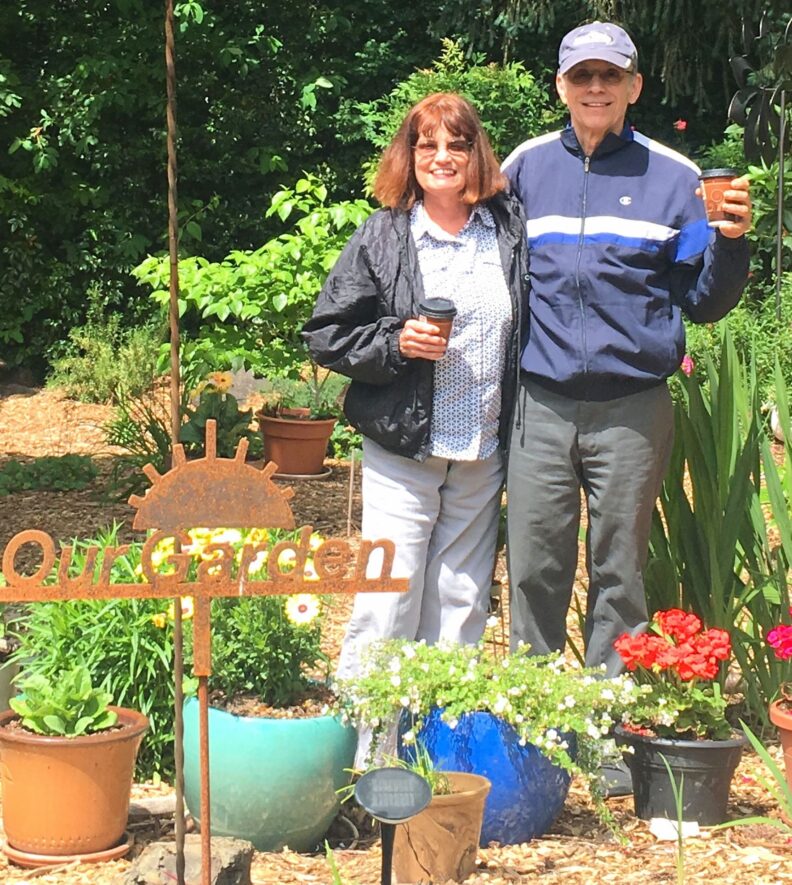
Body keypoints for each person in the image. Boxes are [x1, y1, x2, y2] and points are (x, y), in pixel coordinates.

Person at [501, 24, 752, 678]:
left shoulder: (676, 177)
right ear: (560, 85)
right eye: (581, 75)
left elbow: (705, 302)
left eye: (609, 75)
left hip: (633, 408)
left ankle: (609, 726)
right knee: (533, 567)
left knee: (620, 571)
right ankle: (537, 726)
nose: (595, 87)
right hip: (542, 402)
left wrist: (731, 241)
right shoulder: (522, 168)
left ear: (634, 86)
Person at [303, 92, 527, 763]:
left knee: (459, 602)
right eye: (428, 145)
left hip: (482, 447)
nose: (443, 157)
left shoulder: (506, 228)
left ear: (476, 153)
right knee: (388, 596)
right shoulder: (383, 235)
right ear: (410, 155)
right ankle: (364, 762)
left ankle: (434, 755)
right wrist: (400, 342)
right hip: (405, 445)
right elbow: (327, 334)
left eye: (457, 144)